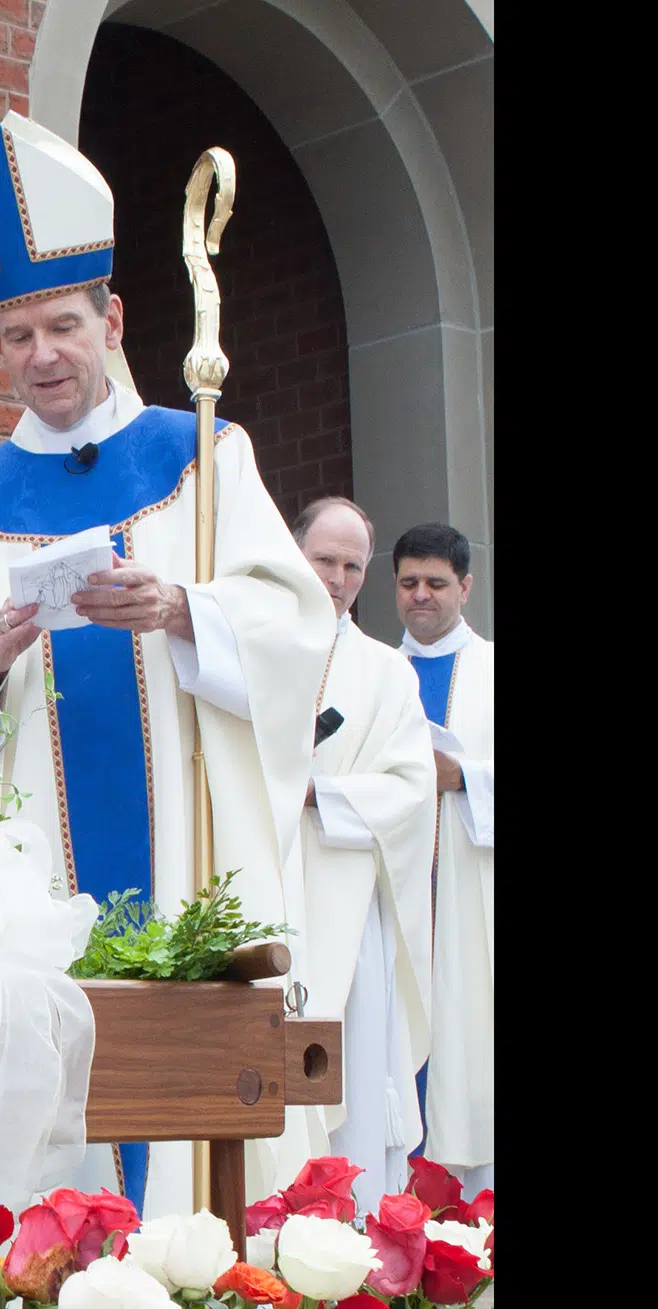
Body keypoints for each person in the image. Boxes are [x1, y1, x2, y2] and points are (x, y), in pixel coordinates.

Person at [0, 111, 336, 1217]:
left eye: (62, 327)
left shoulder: (201, 457)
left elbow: (293, 626)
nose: (40, 355)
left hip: (182, 853)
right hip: (34, 872)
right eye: (15, 333)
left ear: (112, 318)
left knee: (179, 1122)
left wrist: (184, 609)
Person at [259, 497, 436, 1214]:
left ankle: (351, 1250)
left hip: (346, 905)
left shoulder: (385, 673)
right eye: (323, 560)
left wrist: (316, 795)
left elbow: (411, 791)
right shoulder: (249, 645)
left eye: (352, 566)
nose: (335, 578)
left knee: (353, 1088)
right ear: (292, 553)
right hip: (258, 899)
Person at [388, 522, 494, 1194]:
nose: (420, 596)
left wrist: (464, 778)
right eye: (407, 583)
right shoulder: (369, 673)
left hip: (468, 905)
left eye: (436, 583)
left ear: (466, 587)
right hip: (394, 898)